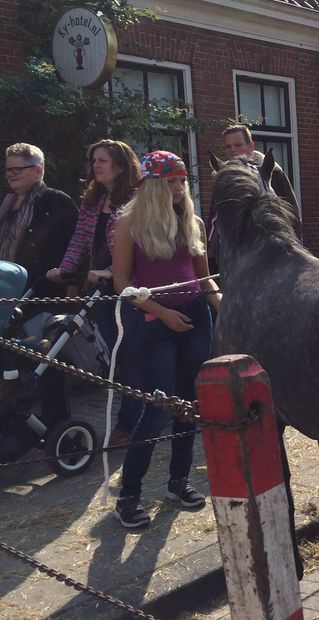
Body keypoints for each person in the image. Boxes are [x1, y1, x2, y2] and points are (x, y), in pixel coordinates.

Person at [111, 151, 220, 528]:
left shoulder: (193, 222)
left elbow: (205, 279)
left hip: (195, 316)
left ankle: (178, 481)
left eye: (182, 181)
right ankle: (128, 494)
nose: (178, 188)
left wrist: (223, 306)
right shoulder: (129, 224)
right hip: (152, 320)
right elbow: (122, 282)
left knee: (188, 404)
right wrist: (161, 312)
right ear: (154, 185)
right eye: (171, 182)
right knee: (158, 406)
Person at [46, 140, 142, 446]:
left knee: (129, 358)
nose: (95, 166)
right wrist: (64, 269)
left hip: (129, 290)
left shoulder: (137, 202)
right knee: (112, 359)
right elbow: (79, 241)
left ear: (120, 166)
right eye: (93, 161)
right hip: (98, 292)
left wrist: (115, 272)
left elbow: (142, 249)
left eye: (101, 160)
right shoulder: (92, 201)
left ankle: (128, 424)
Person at [1, 143, 78, 420]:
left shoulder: (56, 202)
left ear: (38, 170)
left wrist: (72, 287)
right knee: (9, 360)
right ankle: (14, 422)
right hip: (9, 293)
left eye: (18, 169)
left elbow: (77, 245)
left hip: (45, 292)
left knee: (47, 363)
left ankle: (55, 423)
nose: (11, 174)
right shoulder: (6, 204)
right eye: (8, 169)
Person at [222, 125, 299, 217]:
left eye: (238, 145)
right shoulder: (223, 179)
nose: (232, 150)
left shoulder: (271, 173)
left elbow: (292, 214)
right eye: (228, 146)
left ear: (251, 146)